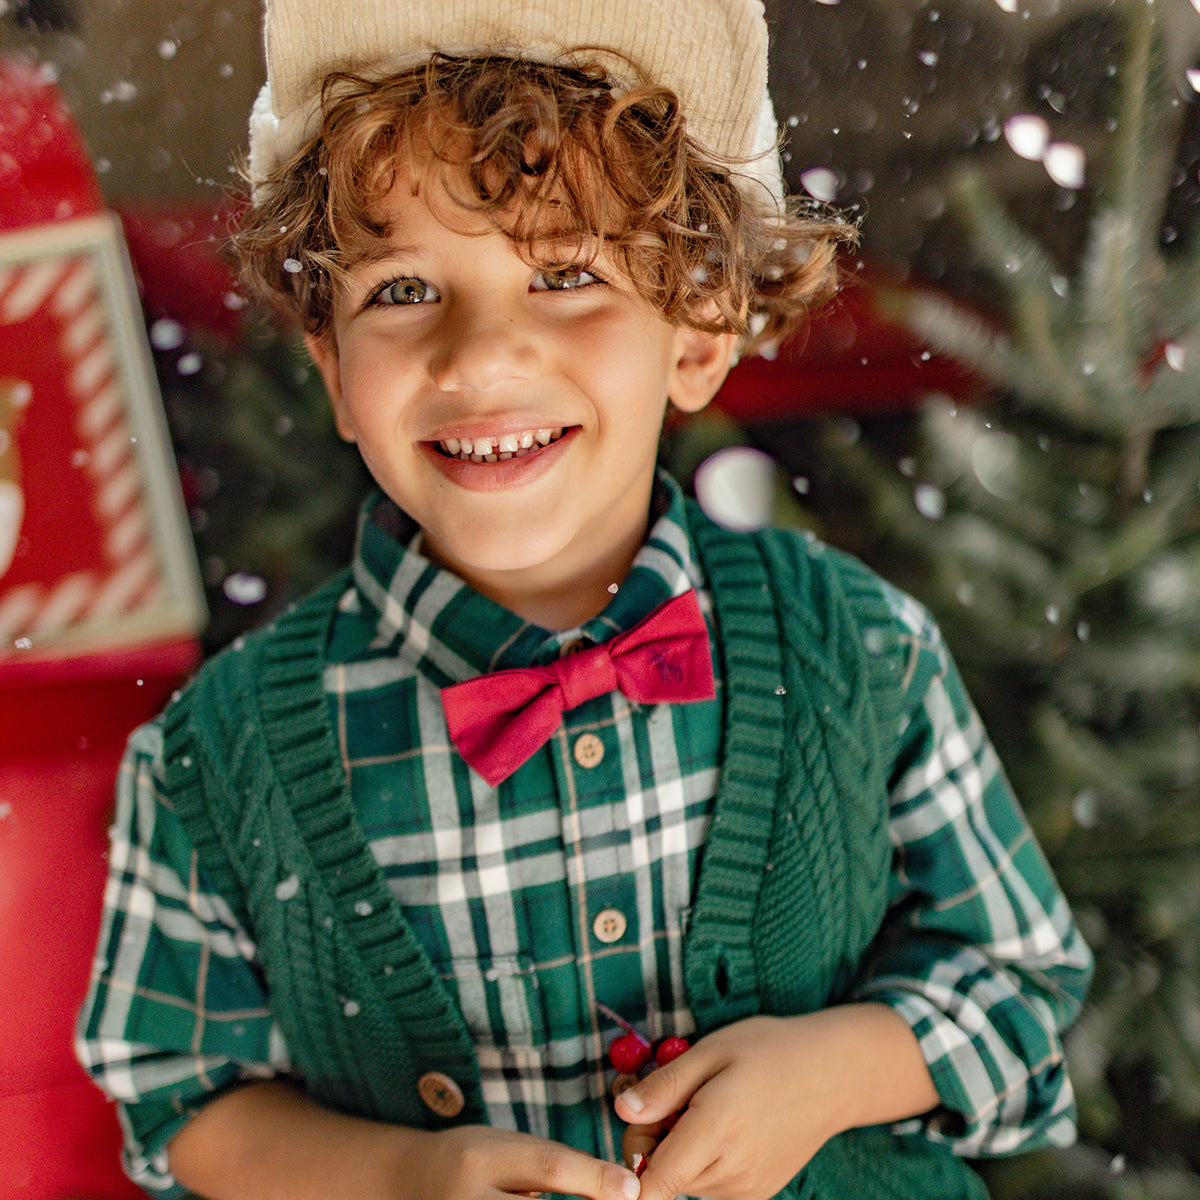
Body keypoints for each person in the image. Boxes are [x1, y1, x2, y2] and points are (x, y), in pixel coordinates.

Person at [76, 1, 1093, 1197]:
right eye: (403, 290)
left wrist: (832, 1075)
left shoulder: (859, 648)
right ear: (333, 368)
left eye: (564, 272)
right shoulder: (216, 754)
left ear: (700, 330)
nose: (480, 356)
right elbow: (181, 1098)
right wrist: (404, 1177)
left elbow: (1017, 980)